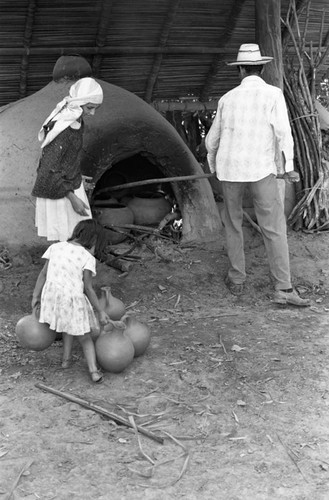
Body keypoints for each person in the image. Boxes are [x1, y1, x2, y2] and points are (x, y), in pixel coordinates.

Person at [205, 43, 310, 307]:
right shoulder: (273, 95)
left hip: (230, 170)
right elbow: (283, 134)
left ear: (240, 70)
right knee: (273, 226)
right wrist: (288, 168)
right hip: (261, 169)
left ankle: (237, 278)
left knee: (233, 222)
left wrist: (213, 166)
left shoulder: (227, 98)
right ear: (261, 68)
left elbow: (211, 140)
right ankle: (283, 289)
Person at [31, 219, 110, 383]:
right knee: (85, 337)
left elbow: (43, 274)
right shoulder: (87, 257)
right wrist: (100, 311)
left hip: (53, 298)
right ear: (93, 239)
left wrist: (36, 296)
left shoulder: (55, 247)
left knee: (67, 326)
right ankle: (94, 371)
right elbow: (88, 288)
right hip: (71, 300)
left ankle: (66, 361)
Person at [32, 77, 103, 242]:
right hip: (58, 189)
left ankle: (62, 266)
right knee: (72, 239)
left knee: (74, 238)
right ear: (78, 103)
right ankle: (64, 265)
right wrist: (73, 199)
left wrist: (76, 175)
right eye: (90, 107)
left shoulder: (76, 121)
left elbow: (66, 158)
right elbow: (49, 167)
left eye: (95, 108)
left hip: (68, 183)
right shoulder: (63, 129)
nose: (92, 113)